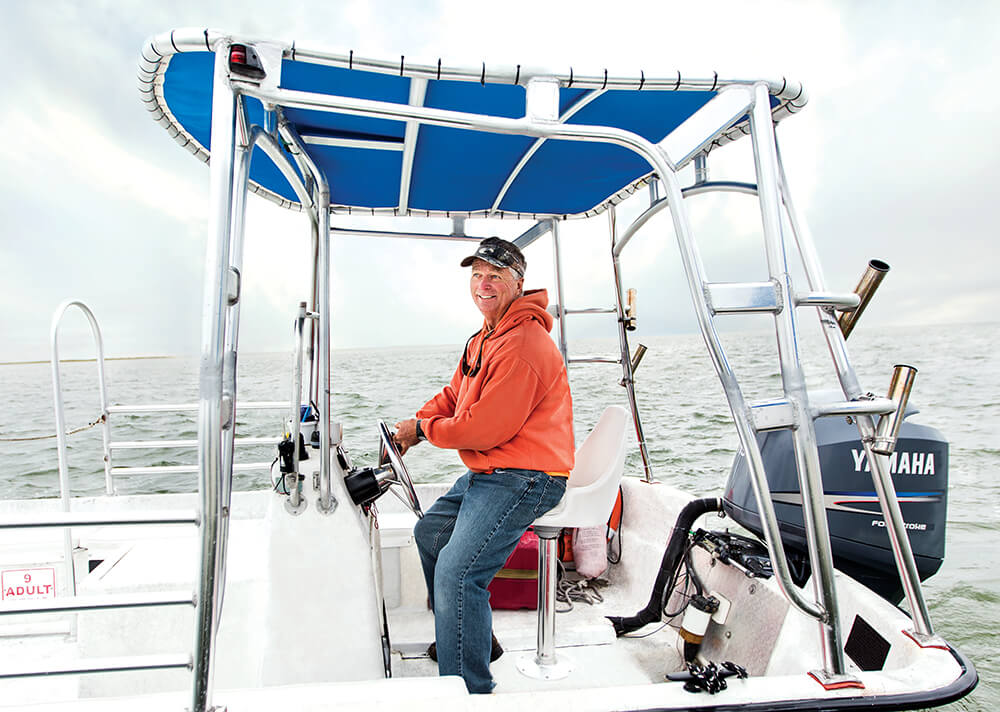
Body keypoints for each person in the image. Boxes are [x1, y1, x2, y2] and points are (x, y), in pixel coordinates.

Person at [393, 236, 574, 694]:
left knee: (458, 572)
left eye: (494, 275)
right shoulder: (485, 337)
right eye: (477, 274)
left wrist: (424, 431)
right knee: (429, 534)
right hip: (494, 471)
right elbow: (456, 397)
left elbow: (483, 428)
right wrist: (417, 421)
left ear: (517, 282)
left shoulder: (524, 343)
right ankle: (472, 639)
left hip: (529, 476)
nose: (484, 283)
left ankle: (468, 689)